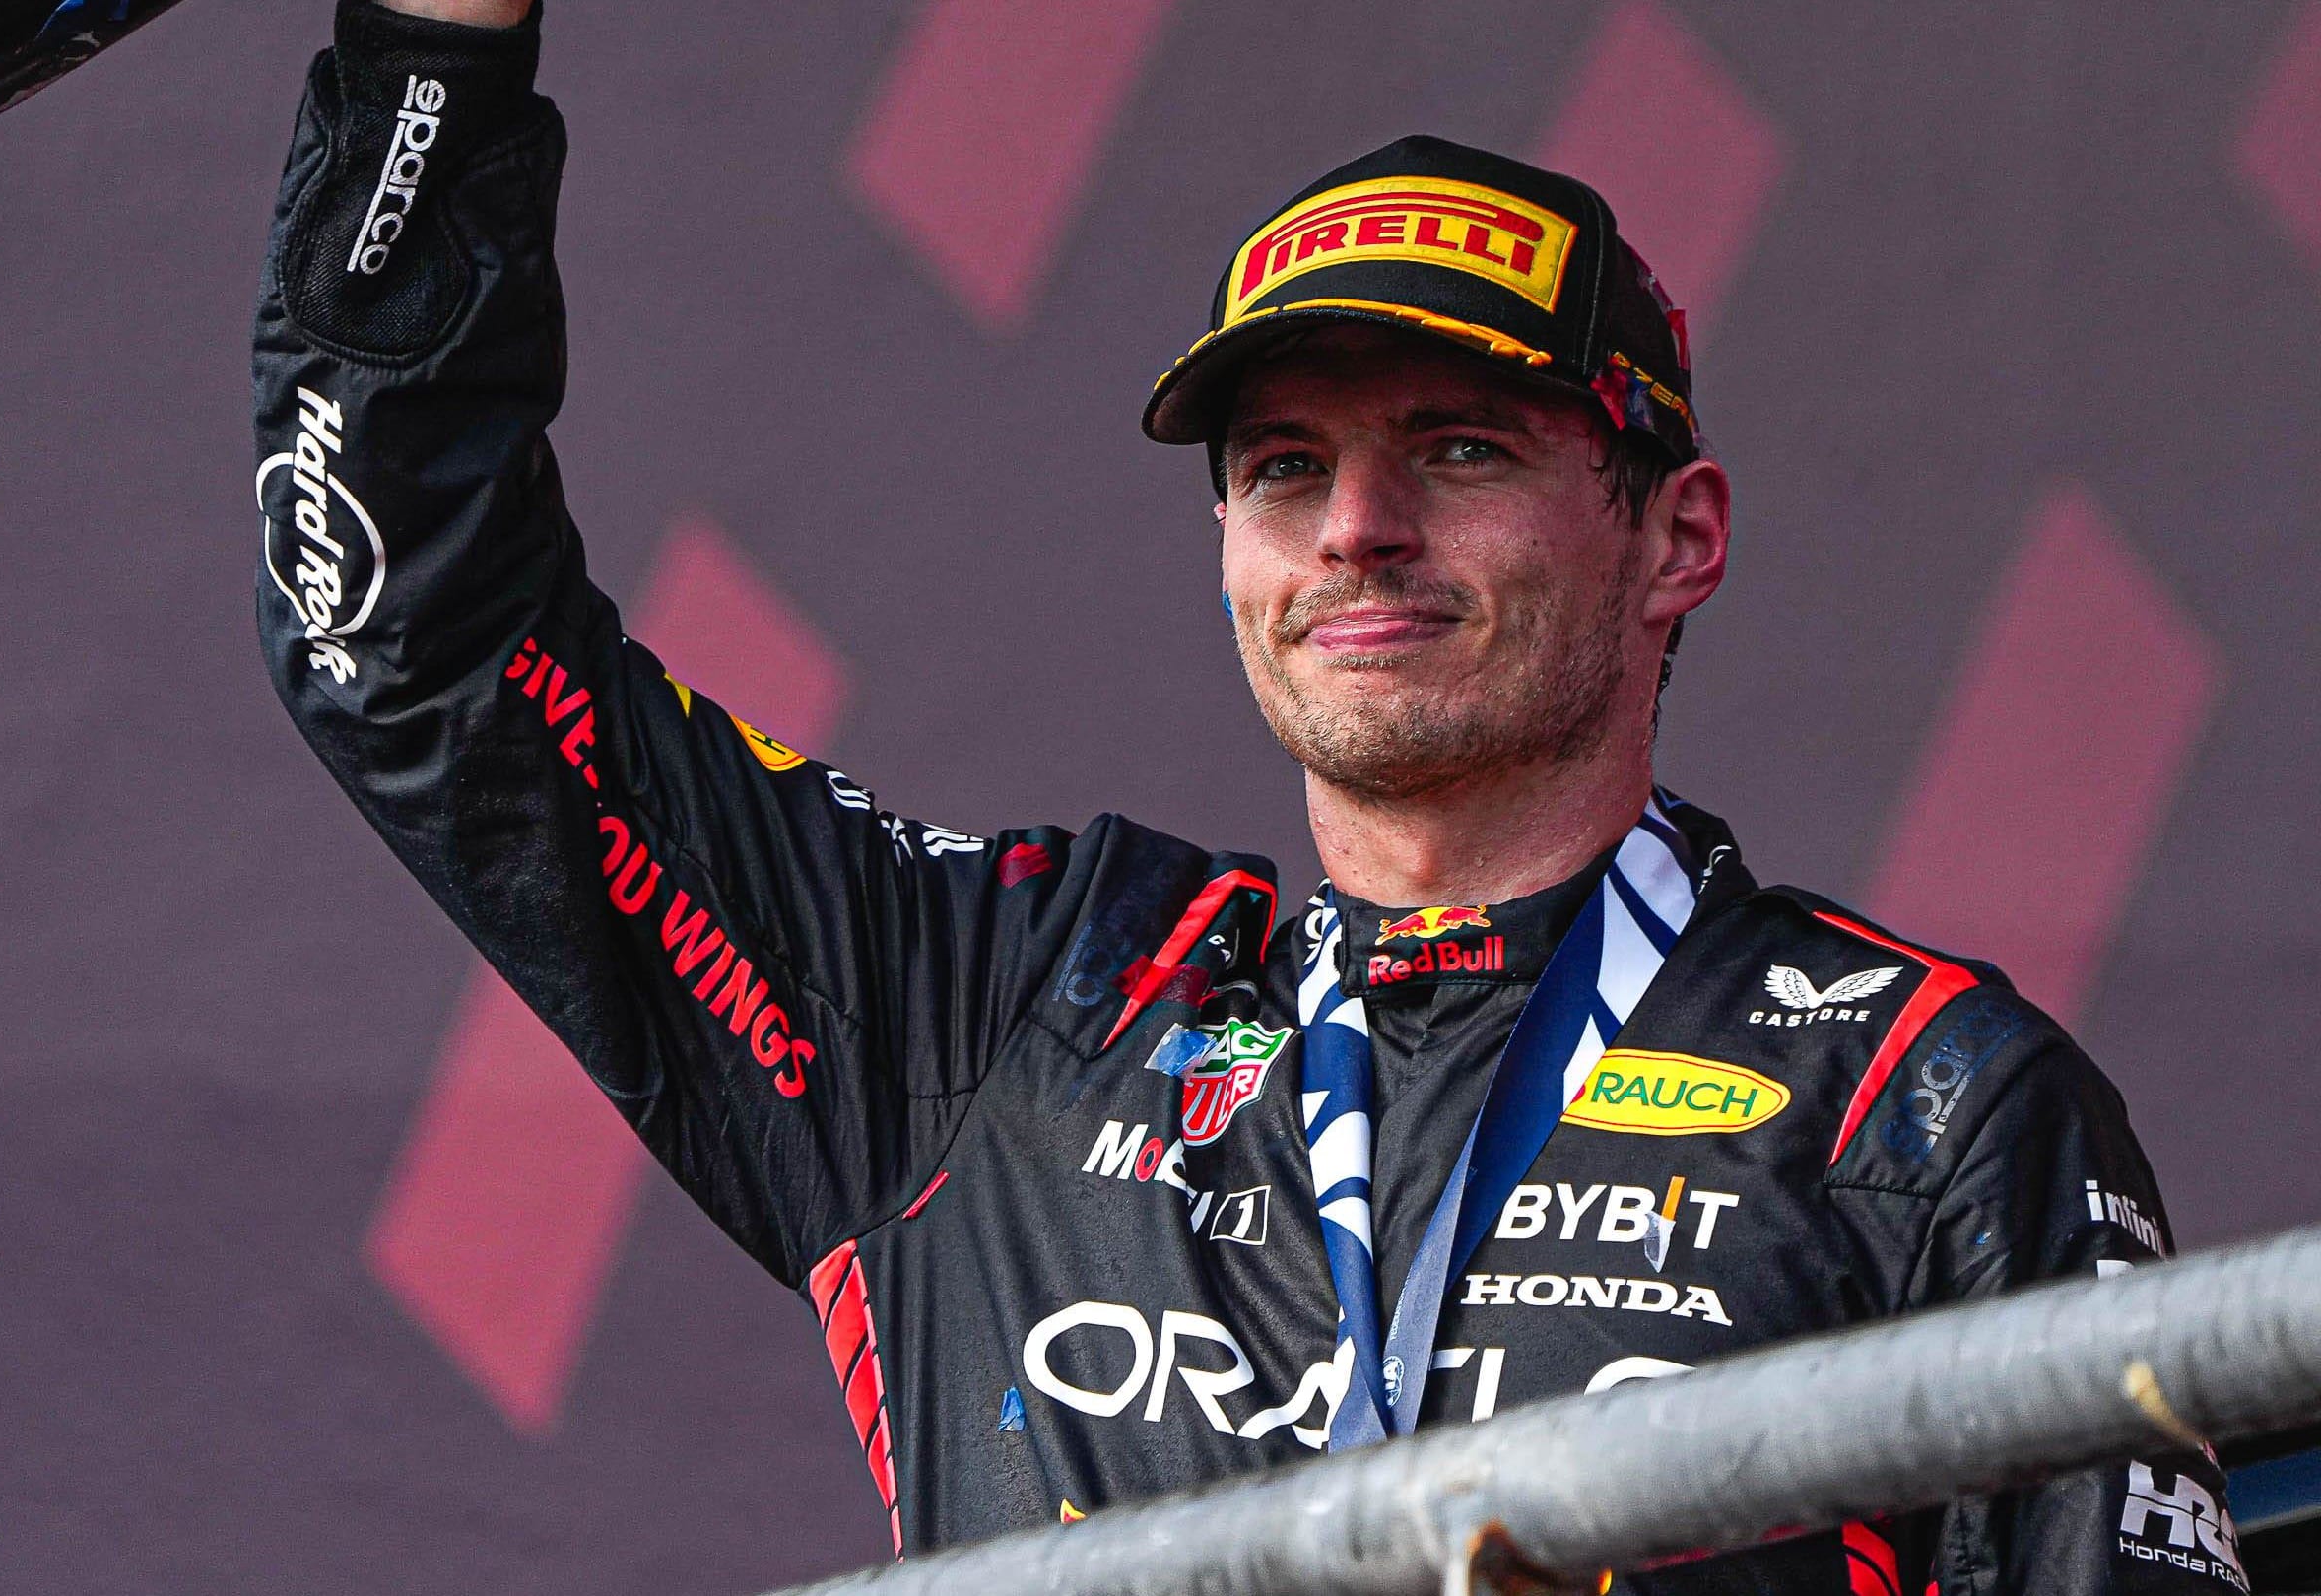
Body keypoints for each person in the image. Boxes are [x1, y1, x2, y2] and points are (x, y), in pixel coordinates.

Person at [249, 2, 2249, 1589]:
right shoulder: (1000, 1024)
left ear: (1677, 533)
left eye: (1459, 449)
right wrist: (435, 53)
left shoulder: (1924, 1098)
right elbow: (407, 641)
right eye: (1284, 468)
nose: (1358, 530)